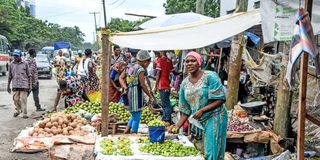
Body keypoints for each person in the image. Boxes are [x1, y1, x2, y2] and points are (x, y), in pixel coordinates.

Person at [168, 51, 228, 160]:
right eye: (187, 61)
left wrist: (202, 110)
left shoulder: (210, 76)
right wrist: (177, 126)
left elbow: (220, 99)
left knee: (212, 149)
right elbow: (185, 110)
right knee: (200, 149)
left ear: (199, 62)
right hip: (197, 120)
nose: (190, 63)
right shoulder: (184, 84)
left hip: (214, 116)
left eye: (193, 61)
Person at [119, 50, 155, 135]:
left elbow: (121, 78)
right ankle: (133, 132)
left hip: (128, 93)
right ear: (145, 62)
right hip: (136, 95)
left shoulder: (129, 66)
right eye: (148, 63)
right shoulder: (140, 69)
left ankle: (126, 130)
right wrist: (150, 96)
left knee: (134, 114)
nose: (148, 65)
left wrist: (125, 87)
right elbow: (143, 84)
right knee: (137, 116)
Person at [7, 49, 32, 118]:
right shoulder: (11, 64)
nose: (15, 58)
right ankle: (19, 110)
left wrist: (30, 85)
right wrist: (8, 86)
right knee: (15, 99)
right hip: (15, 84)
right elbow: (10, 76)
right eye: (14, 56)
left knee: (23, 99)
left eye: (17, 56)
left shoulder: (25, 64)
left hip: (24, 84)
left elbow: (29, 75)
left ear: (20, 56)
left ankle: (24, 113)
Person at [153, 51, 173, 125]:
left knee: (165, 104)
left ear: (161, 51)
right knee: (167, 103)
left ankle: (166, 119)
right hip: (167, 84)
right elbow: (171, 72)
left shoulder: (160, 60)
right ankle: (167, 118)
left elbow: (158, 74)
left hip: (162, 84)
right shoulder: (169, 60)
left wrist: (155, 86)